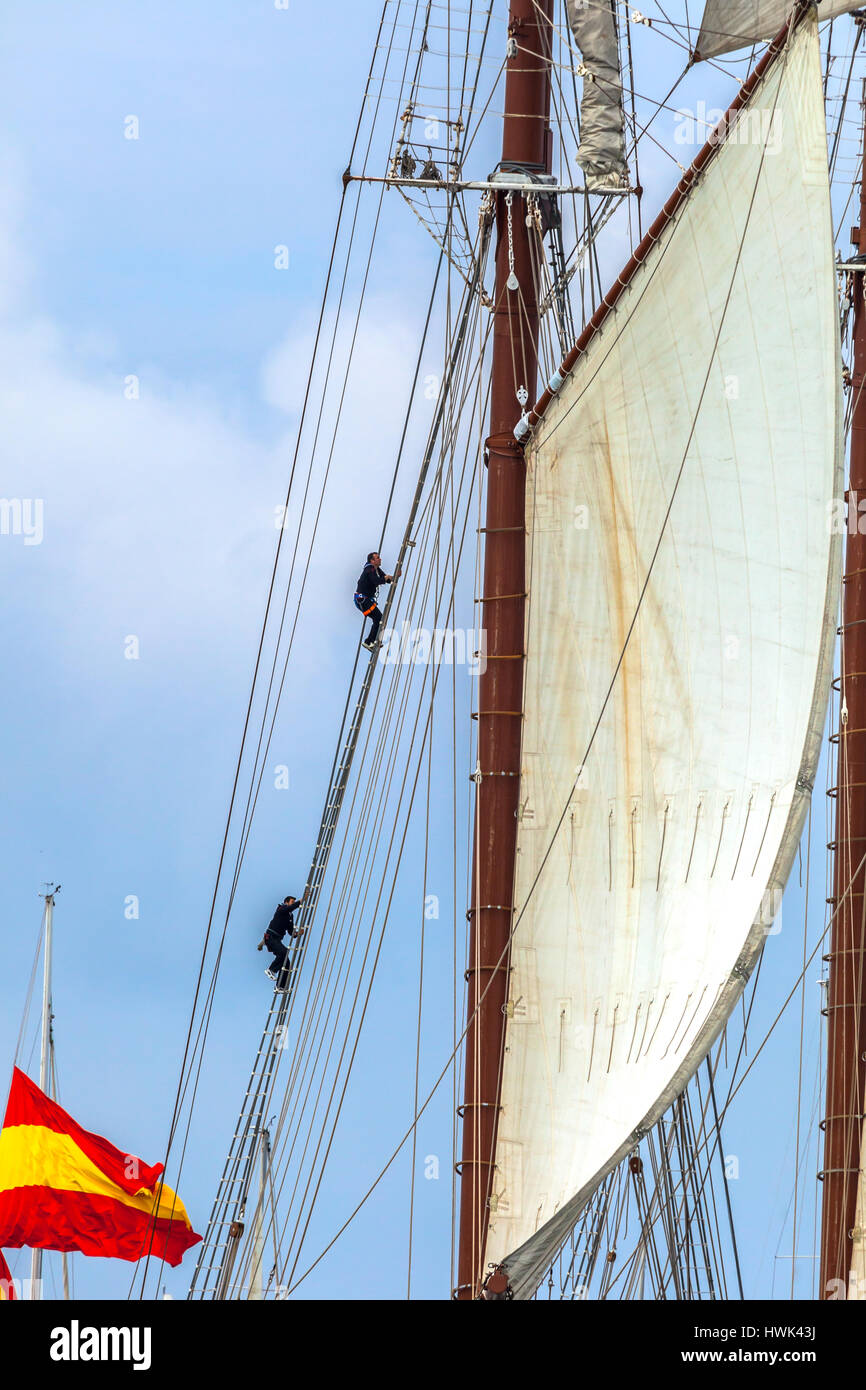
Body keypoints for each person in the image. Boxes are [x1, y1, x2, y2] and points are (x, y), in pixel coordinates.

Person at [260, 889, 308, 991]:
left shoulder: (290, 916)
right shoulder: (281, 908)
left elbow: (291, 932)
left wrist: (298, 933)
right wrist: (301, 900)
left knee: (286, 963)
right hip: (271, 937)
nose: (293, 904)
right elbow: (289, 908)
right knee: (284, 952)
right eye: (292, 902)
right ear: (286, 902)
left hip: (277, 939)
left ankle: (280, 986)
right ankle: (271, 969)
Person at [354, 551, 398, 651]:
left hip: (364, 600)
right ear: (372, 560)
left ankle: (370, 642)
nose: (380, 559)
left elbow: (386, 579)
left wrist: (395, 577)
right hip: (362, 599)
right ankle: (369, 642)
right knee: (379, 618)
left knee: (378, 619)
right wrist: (385, 578)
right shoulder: (369, 569)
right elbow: (377, 581)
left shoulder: (376, 569)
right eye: (377, 558)